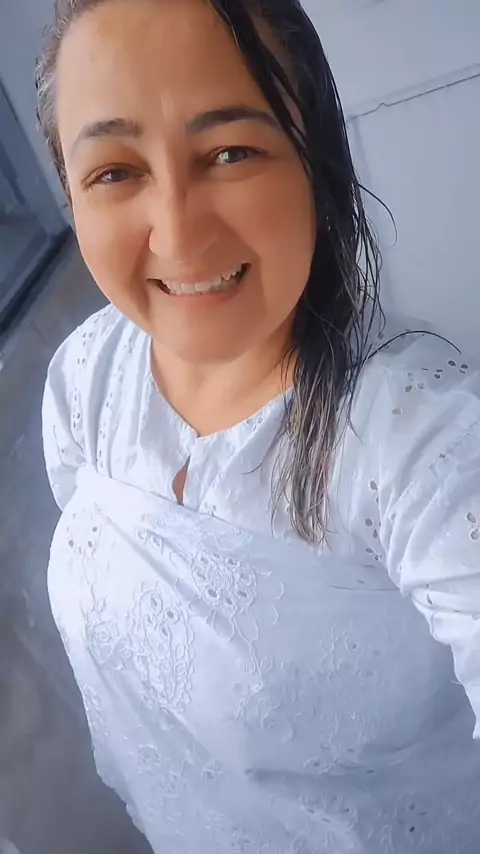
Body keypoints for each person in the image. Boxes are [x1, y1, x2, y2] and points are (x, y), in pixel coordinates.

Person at [37, 1, 480, 852]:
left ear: (316, 157)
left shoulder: (421, 442)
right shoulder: (88, 372)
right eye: (115, 172)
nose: (178, 233)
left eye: (230, 153)